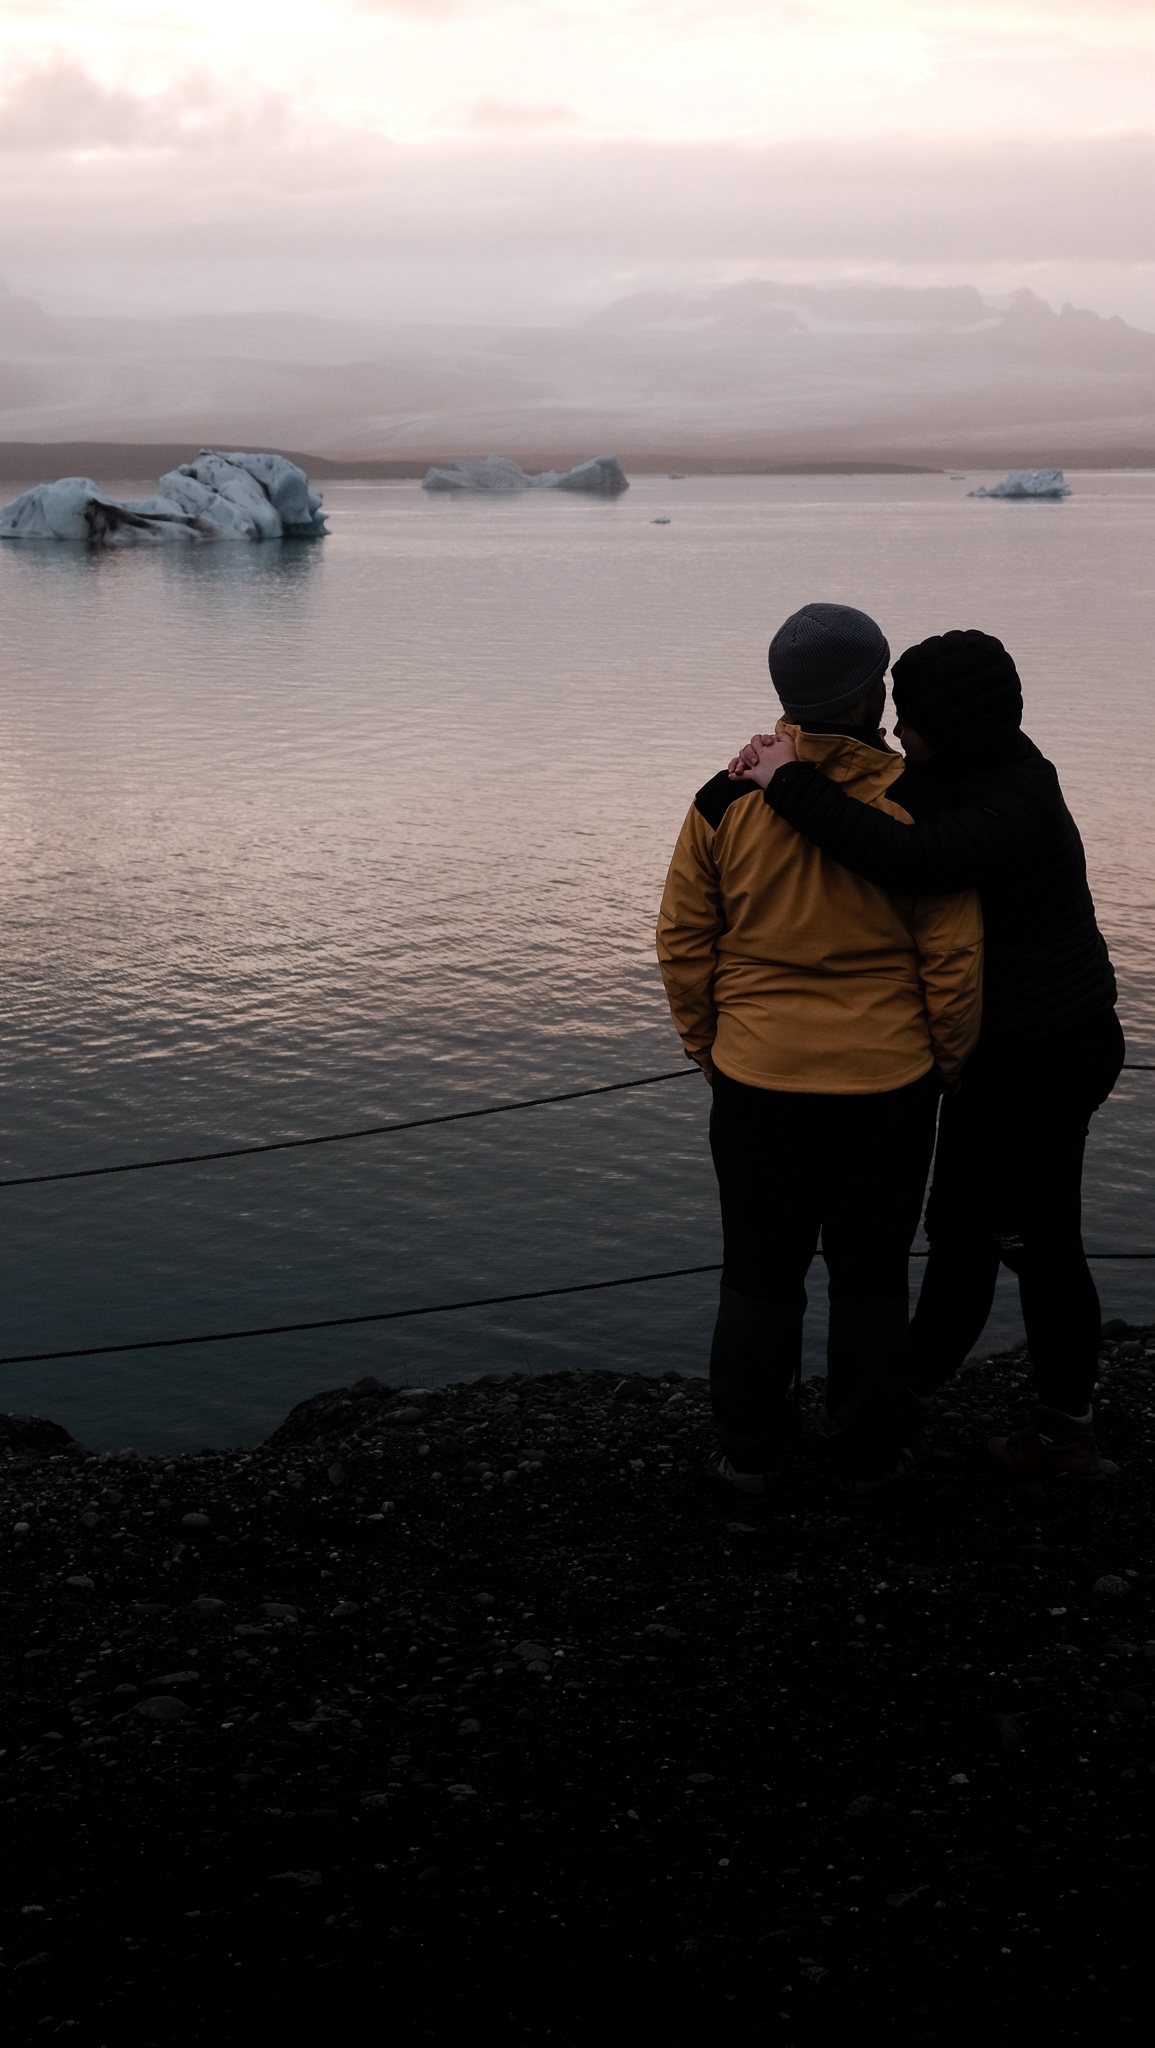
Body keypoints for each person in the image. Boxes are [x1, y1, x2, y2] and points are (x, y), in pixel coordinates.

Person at [732, 628, 1124, 1482]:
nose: (899, 733)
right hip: (1005, 1050)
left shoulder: (1013, 801)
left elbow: (907, 858)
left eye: (913, 720)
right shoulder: (977, 772)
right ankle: (907, 1390)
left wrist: (785, 777)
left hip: (1045, 1053)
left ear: (954, 723)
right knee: (961, 1228)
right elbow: (891, 795)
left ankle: (1063, 1436)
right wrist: (797, 747)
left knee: (1035, 1239)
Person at [657, 603, 982, 1498]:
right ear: (870, 689)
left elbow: (684, 938)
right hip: (887, 1078)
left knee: (759, 1269)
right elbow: (951, 955)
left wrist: (708, 1047)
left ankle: (751, 1451)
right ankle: (869, 1452)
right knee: (870, 1274)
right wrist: (944, 1060)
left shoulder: (724, 798)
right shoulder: (914, 802)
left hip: (757, 1076)